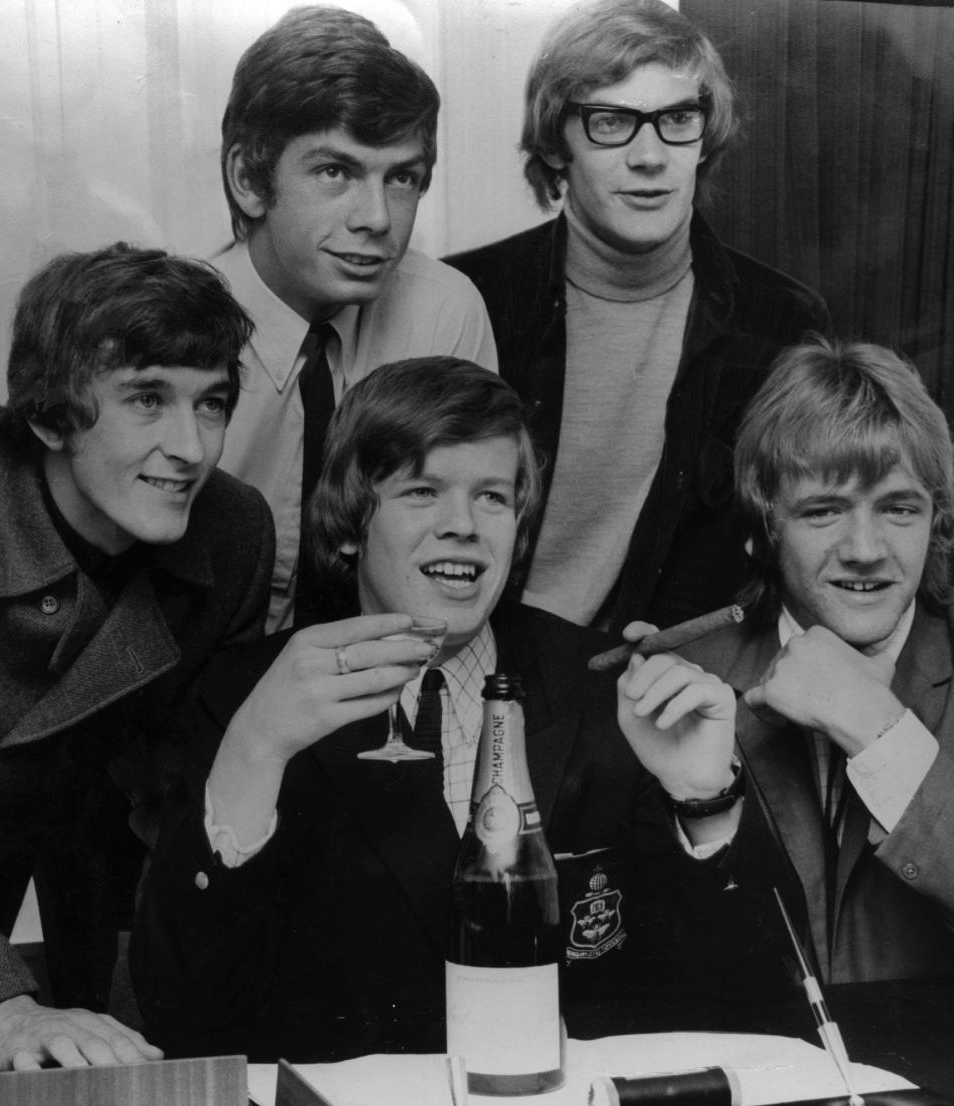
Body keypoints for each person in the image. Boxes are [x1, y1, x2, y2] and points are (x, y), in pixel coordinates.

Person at [130, 357, 689, 1063]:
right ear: (349, 523)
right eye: (423, 491)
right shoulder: (246, 694)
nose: (463, 525)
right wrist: (256, 747)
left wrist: (710, 801)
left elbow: (726, 989)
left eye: (492, 496)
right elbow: (180, 1012)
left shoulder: (605, 687)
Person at [447, 0, 829, 636]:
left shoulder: (781, 322)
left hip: (665, 678)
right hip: (483, 663)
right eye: (611, 122)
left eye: (677, 118)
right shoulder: (468, 296)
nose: (650, 157)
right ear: (556, 142)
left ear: (705, 136)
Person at [0, 243, 275, 1070]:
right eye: (147, 399)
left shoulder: (232, 534)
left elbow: (175, 796)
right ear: (48, 416)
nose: (190, 446)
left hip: (80, 899)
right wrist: (8, 1006)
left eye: (212, 402)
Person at [616, 336, 954, 984]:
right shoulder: (679, 682)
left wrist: (878, 729)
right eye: (824, 510)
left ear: (934, 519)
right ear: (762, 528)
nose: (865, 548)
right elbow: (656, 977)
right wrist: (704, 805)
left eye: (898, 508)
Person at [213, 5, 497, 632]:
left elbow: (458, 541)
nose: (376, 218)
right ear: (248, 179)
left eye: (402, 178)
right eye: (335, 171)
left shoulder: (444, 309)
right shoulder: (178, 329)